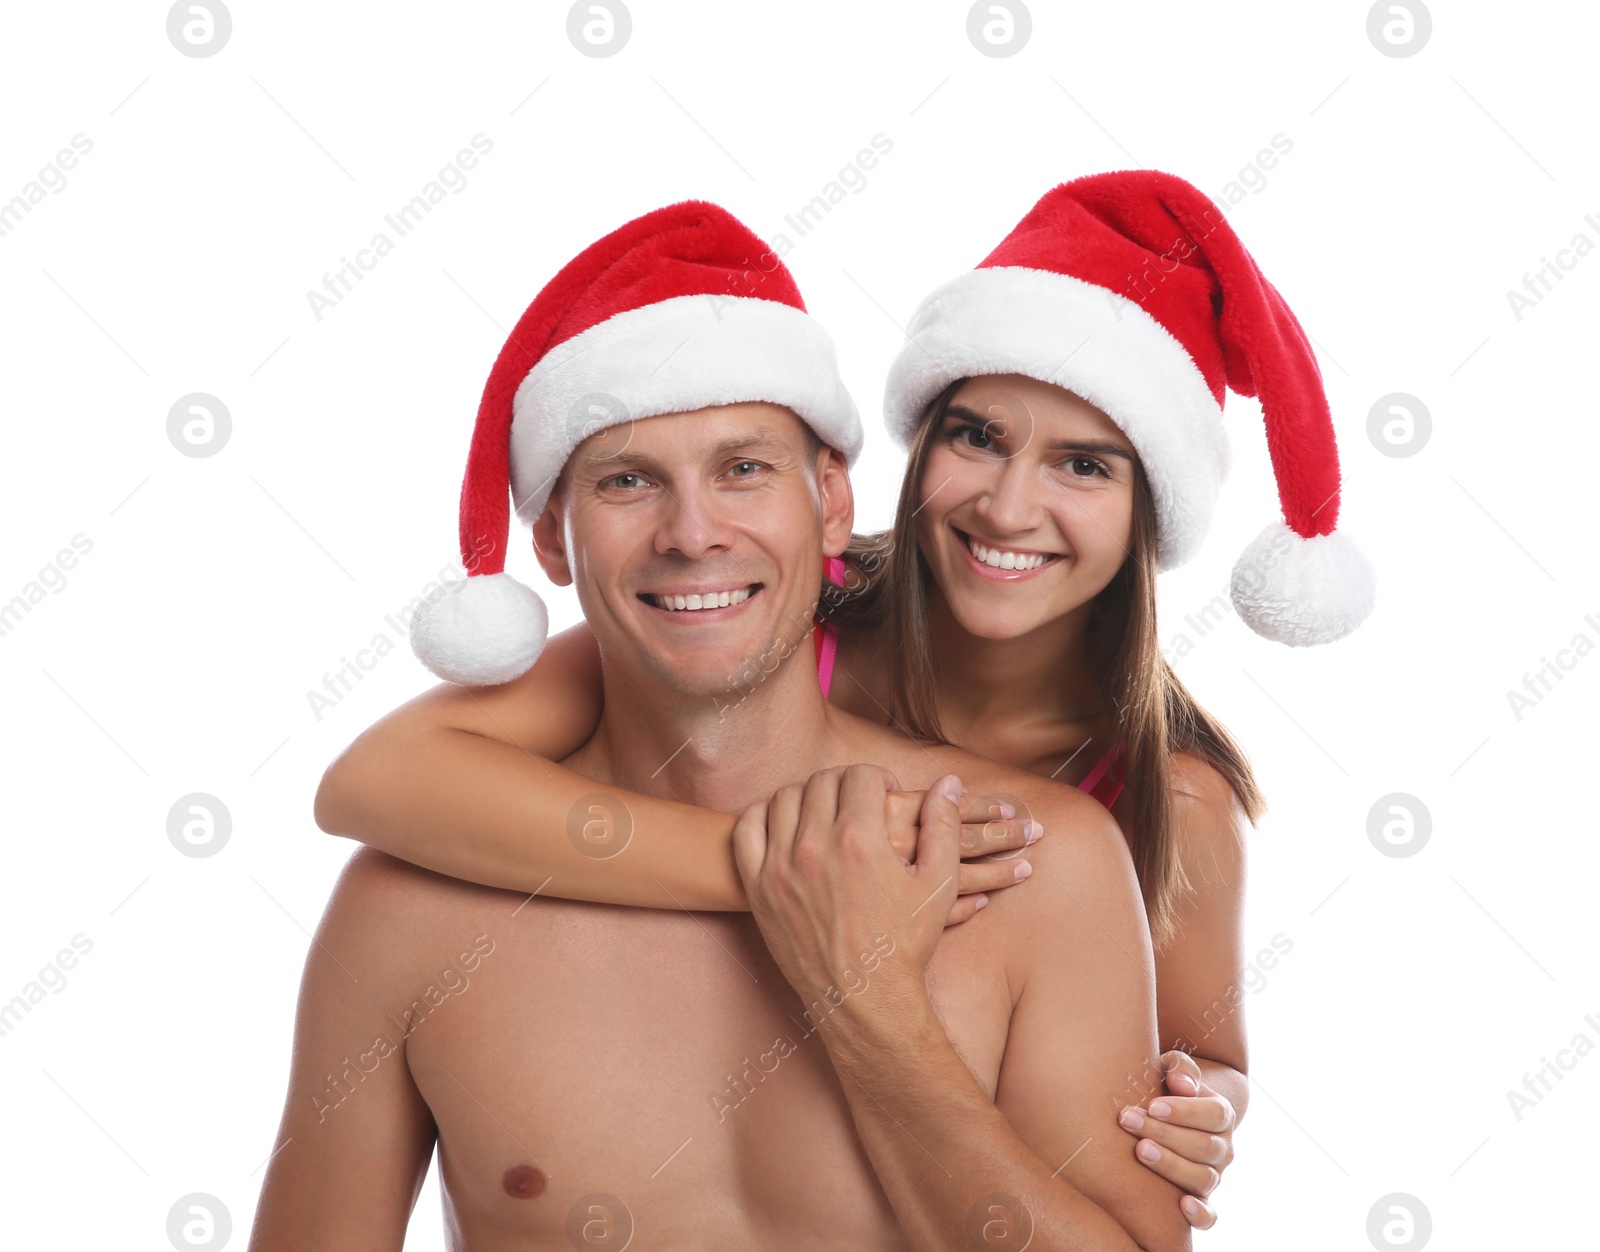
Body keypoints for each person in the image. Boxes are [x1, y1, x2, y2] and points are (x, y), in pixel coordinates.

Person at [313, 172, 1376, 1230]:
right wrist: (781, 875)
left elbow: (1204, 1056)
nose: (1010, 504)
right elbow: (382, 777)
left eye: (1084, 465)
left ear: (1151, 512)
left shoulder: (1129, 816)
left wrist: (1207, 1100)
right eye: (976, 437)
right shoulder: (758, 607)